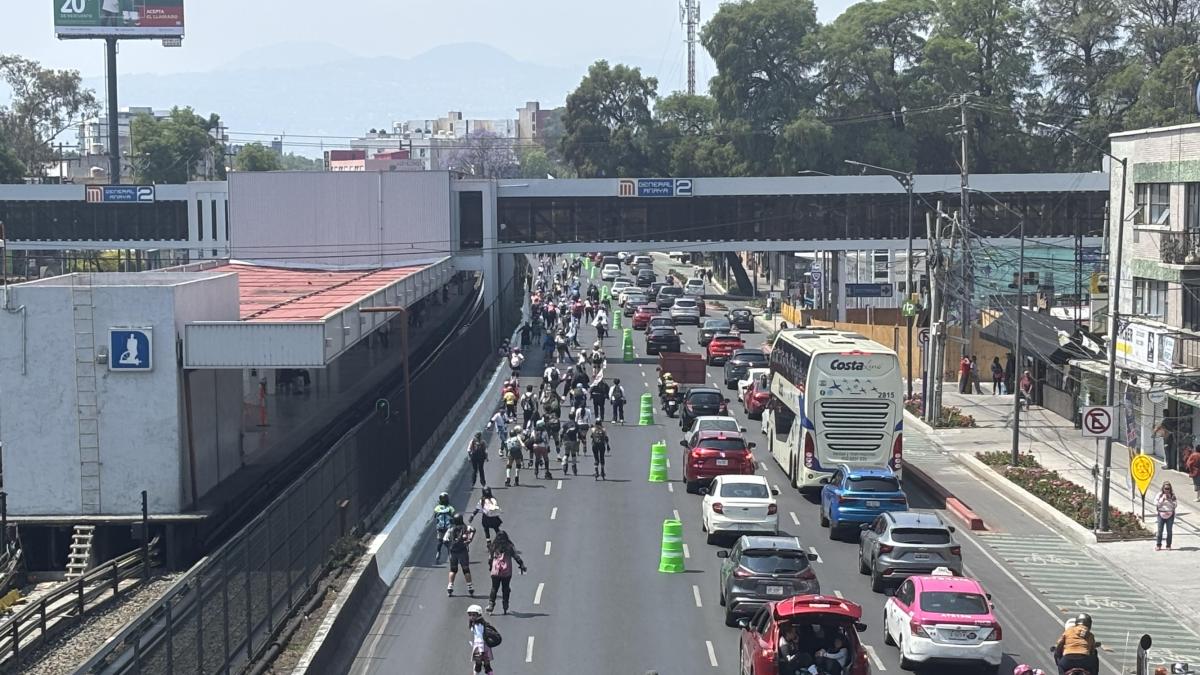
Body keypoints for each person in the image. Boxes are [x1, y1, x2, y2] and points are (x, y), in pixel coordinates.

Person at [485, 529, 526, 615]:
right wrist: (521, 564)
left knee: (494, 588)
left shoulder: (494, 546)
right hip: (506, 572)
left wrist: (490, 567)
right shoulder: (509, 546)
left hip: (495, 572)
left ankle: (491, 604)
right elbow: (516, 556)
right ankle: (505, 603)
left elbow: (490, 559)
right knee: (506, 587)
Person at [445, 514, 476, 597]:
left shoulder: (450, 529)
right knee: (466, 569)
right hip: (463, 551)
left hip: (453, 552)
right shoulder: (466, 527)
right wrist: (470, 540)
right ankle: (470, 587)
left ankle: (450, 586)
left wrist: (449, 547)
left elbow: (445, 540)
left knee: (453, 570)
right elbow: (473, 529)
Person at [466, 605, 496, 674]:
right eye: (470, 615)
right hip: (486, 647)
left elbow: (480, 638)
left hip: (480, 647)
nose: (471, 617)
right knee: (487, 665)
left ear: (478, 614)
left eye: (473, 615)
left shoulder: (478, 625)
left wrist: (480, 651)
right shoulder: (481, 623)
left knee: (478, 665)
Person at [432, 492, 457, 565]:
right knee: (449, 542)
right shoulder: (450, 508)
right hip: (448, 528)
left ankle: (438, 554)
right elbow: (454, 517)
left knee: (440, 542)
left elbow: (435, 517)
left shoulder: (437, 508)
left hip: (440, 527)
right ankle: (450, 555)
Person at [1155, 481, 1178, 550]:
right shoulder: (1159, 495)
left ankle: (1168, 545)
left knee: (1169, 531)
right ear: (1163, 488)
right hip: (1161, 514)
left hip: (1170, 514)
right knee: (1159, 530)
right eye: (1165, 488)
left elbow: (1175, 505)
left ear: (1170, 489)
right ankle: (1158, 545)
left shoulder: (1172, 495)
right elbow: (1156, 504)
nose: (1167, 490)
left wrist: (1170, 500)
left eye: (1168, 488)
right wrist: (1162, 499)